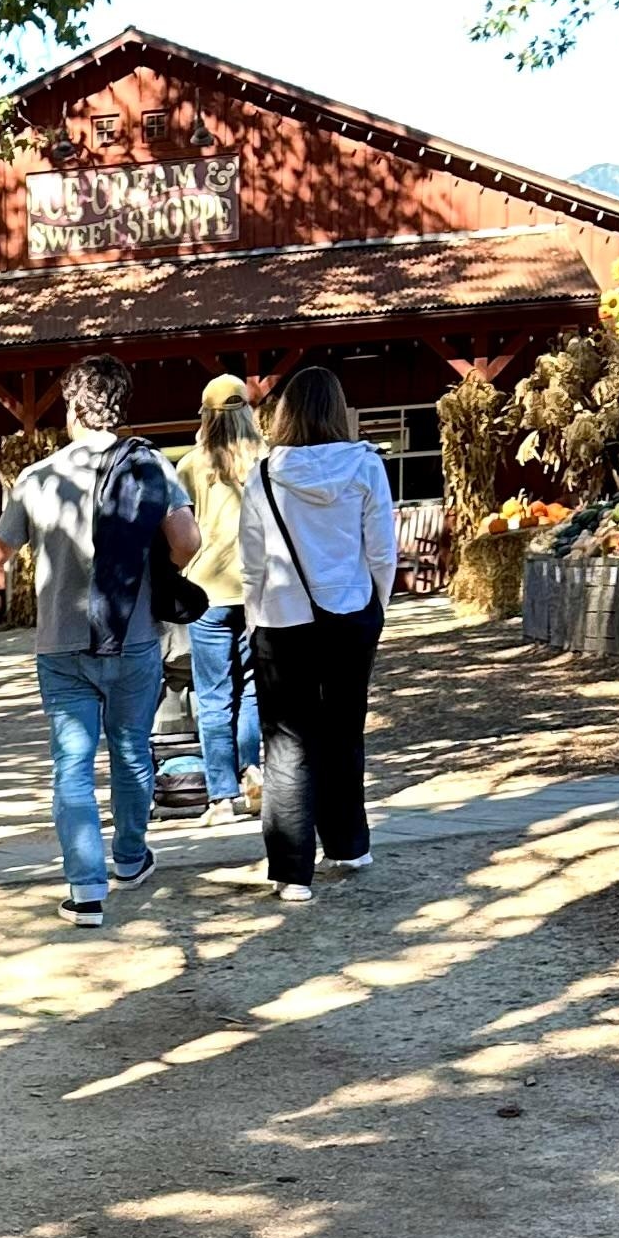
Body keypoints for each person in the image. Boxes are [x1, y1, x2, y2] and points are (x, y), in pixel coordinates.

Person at [0, 354, 198, 914]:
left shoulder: (38, 478)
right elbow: (187, 541)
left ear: (73, 407)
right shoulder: (150, 465)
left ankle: (85, 889)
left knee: (73, 765)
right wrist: (155, 566)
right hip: (133, 635)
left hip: (60, 644)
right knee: (131, 751)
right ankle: (129, 857)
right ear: (119, 405)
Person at [239, 363, 395, 903]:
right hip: (350, 613)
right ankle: (348, 844)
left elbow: (252, 560)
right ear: (337, 410)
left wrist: (254, 617)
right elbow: (381, 548)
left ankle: (291, 870)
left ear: (285, 413)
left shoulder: (262, 475)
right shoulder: (366, 465)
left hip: (281, 618)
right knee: (344, 731)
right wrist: (376, 604)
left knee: (288, 743)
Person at [176, 373, 264, 816]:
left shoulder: (191, 465)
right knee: (251, 689)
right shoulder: (267, 461)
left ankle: (221, 795)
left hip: (206, 591)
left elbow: (181, 530)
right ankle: (252, 771)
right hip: (258, 590)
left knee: (213, 697)